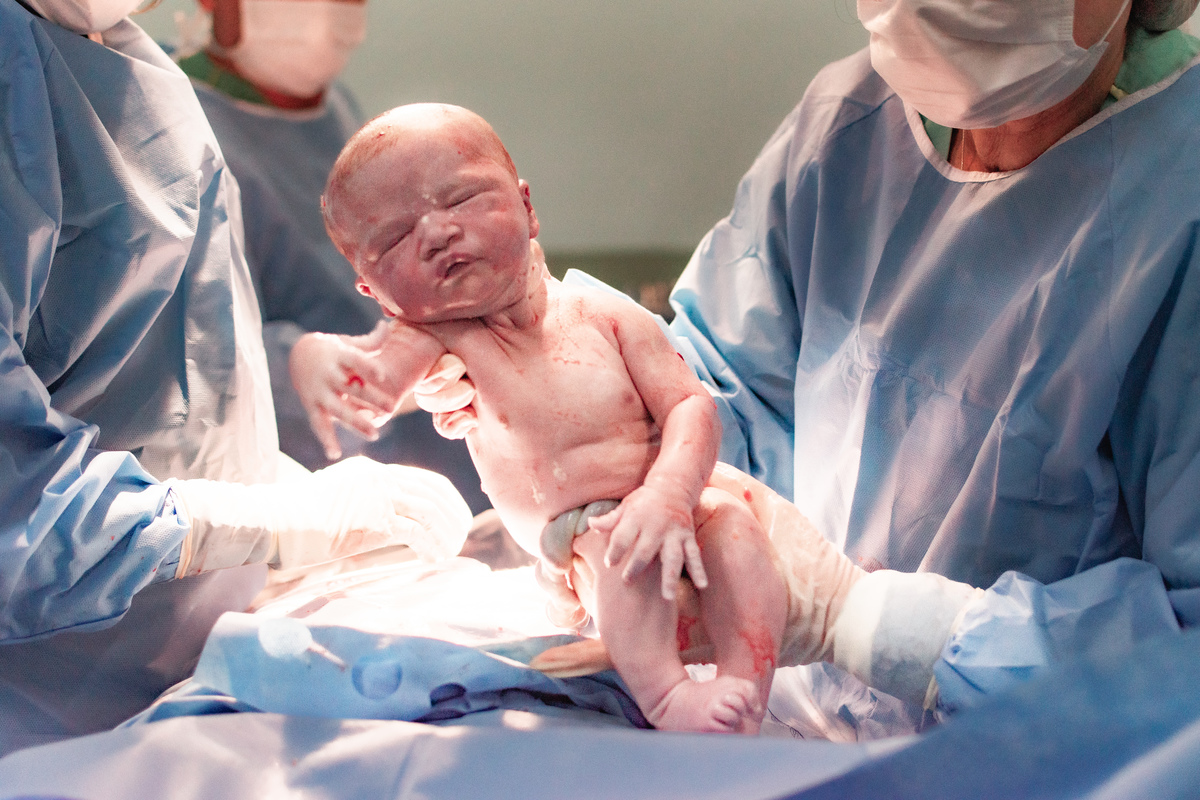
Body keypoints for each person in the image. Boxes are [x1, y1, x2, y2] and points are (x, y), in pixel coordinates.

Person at [393, 0, 1200, 739]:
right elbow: (720, 392)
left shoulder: (1179, 194)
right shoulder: (850, 126)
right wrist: (567, 401)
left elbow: (1183, 650)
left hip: (1040, 758)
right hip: (768, 721)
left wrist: (877, 625)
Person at [0, 0, 472, 756]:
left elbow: (180, 371)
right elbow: (14, 514)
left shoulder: (125, 63)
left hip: (191, 653)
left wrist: (276, 497)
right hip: (49, 697)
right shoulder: (17, 83)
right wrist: (265, 522)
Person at [307, 103, 793, 733]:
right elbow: (373, 377)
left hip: (675, 499)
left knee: (737, 532)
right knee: (623, 555)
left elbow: (688, 404)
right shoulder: (443, 338)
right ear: (374, 292)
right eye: (395, 238)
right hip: (585, 531)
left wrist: (671, 495)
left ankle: (747, 683)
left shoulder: (604, 316)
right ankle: (668, 696)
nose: (436, 233)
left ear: (528, 207)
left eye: (461, 198)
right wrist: (319, 360)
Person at [171, 0, 488, 512]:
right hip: (295, 471)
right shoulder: (176, 124)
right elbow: (186, 344)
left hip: (424, 442)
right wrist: (293, 370)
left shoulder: (334, 108)